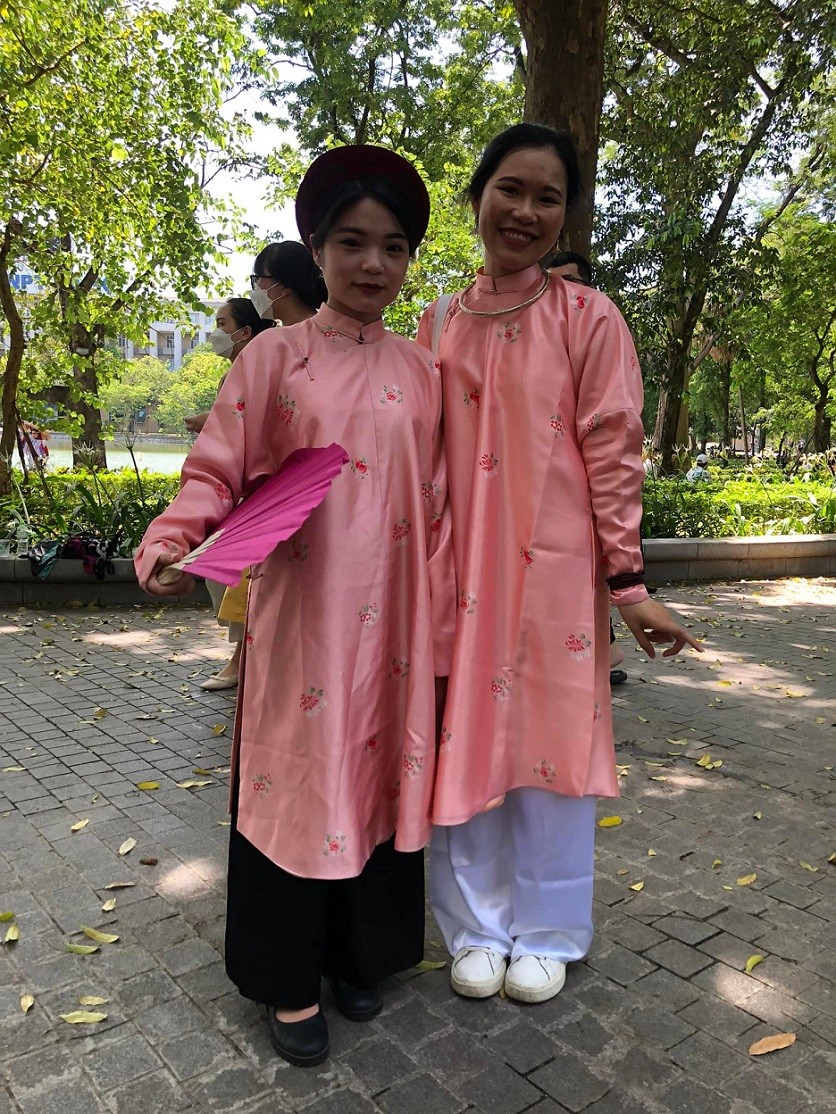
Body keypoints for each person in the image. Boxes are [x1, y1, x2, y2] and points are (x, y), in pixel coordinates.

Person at [135, 145, 454, 1067]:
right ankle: (285, 976)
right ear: (316, 249)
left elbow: (439, 501)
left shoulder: (425, 369)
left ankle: (366, 950)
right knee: (300, 778)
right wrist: (169, 540)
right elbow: (216, 469)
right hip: (304, 621)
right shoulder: (275, 358)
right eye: (351, 242)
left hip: (394, 621)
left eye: (393, 248)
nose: (372, 265)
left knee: (378, 774)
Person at [417, 123, 703, 1006]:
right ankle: (471, 928)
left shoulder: (589, 317)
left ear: (566, 214)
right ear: (477, 198)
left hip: (555, 575)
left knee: (550, 748)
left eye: (550, 197)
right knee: (461, 743)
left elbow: (614, 451)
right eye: (511, 189)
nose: (527, 211)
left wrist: (628, 583)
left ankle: (546, 930)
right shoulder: (435, 322)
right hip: (456, 572)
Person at [183, 298, 276, 691]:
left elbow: (247, 423)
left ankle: (243, 660)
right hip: (236, 491)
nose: (216, 332)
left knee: (236, 578)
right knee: (225, 577)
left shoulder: (262, 366)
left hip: (255, 492)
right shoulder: (238, 371)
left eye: (222, 323)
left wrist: (210, 421)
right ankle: (244, 657)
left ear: (245, 332)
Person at [549, 252, 628, 687]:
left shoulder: (596, 323)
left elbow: (612, 448)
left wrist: (628, 581)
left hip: (571, 541)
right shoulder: (448, 318)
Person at [250, 239, 329, 326]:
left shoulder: (271, 338)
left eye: (258, 278)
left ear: (285, 287)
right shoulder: (330, 329)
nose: (256, 285)